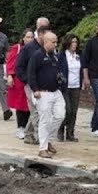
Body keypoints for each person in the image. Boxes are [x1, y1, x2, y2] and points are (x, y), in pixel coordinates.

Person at [27, 30, 66, 158]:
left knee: (60, 115)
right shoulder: (37, 55)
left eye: (56, 42)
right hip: (43, 93)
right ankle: (42, 148)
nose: (56, 44)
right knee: (45, 120)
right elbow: (31, 73)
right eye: (54, 42)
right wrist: (35, 89)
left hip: (56, 91)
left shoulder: (54, 56)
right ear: (47, 42)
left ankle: (48, 139)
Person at [15, 18, 51, 145]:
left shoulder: (47, 48)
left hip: (42, 84)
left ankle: (29, 134)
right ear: (40, 35)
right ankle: (41, 138)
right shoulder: (29, 48)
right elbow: (19, 67)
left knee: (40, 110)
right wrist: (27, 80)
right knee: (36, 111)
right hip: (30, 84)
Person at [5, 29, 35, 140]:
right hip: (19, 80)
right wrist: (9, 76)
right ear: (23, 38)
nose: (30, 39)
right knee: (21, 105)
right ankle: (20, 127)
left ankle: (28, 127)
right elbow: (10, 63)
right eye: (28, 37)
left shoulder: (35, 49)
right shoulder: (17, 48)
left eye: (32, 37)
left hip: (31, 79)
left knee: (30, 106)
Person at [57, 34, 84, 141]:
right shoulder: (62, 56)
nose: (74, 44)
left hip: (76, 85)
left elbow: (82, 69)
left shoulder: (79, 55)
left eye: (76, 42)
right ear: (67, 43)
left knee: (73, 111)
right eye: (72, 42)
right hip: (65, 86)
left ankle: (70, 133)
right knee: (67, 110)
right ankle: (60, 129)